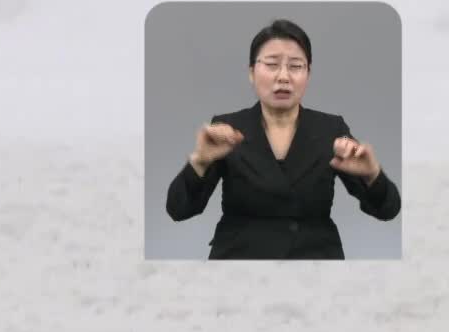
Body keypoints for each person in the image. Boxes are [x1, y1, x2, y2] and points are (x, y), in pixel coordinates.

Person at [165, 19, 401, 259]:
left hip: (314, 264)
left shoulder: (331, 129)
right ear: (251, 72)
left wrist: (372, 175)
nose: (283, 77)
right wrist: (200, 162)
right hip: (240, 264)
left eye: (296, 66)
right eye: (272, 64)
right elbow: (178, 209)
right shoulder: (227, 129)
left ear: (308, 73)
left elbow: (388, 210)